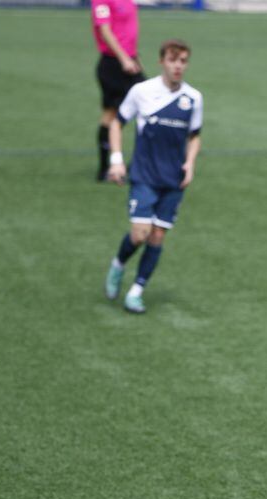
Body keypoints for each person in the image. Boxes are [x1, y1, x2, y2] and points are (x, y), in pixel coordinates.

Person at [104, 40, 203, 314]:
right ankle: (118, 265)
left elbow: (195, 136)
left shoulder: (193, 98)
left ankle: (136, 291)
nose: (178, 66)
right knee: (139, 234)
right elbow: (117, 123)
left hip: (174, 180)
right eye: (173, 60)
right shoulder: (142, 91)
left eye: (183, 61)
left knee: (157, 236)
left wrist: (191, 163)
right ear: (162, 62)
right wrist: (115, 161)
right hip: (145, 175)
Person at [91, 0, 145, 181]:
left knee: (148, 107)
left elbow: (128, 31)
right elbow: (105, 30)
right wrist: (123, 59)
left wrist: (134, 58)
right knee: (112, 114)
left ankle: (137, 163)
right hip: (114, 64)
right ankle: (106, 167)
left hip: (129, 61)